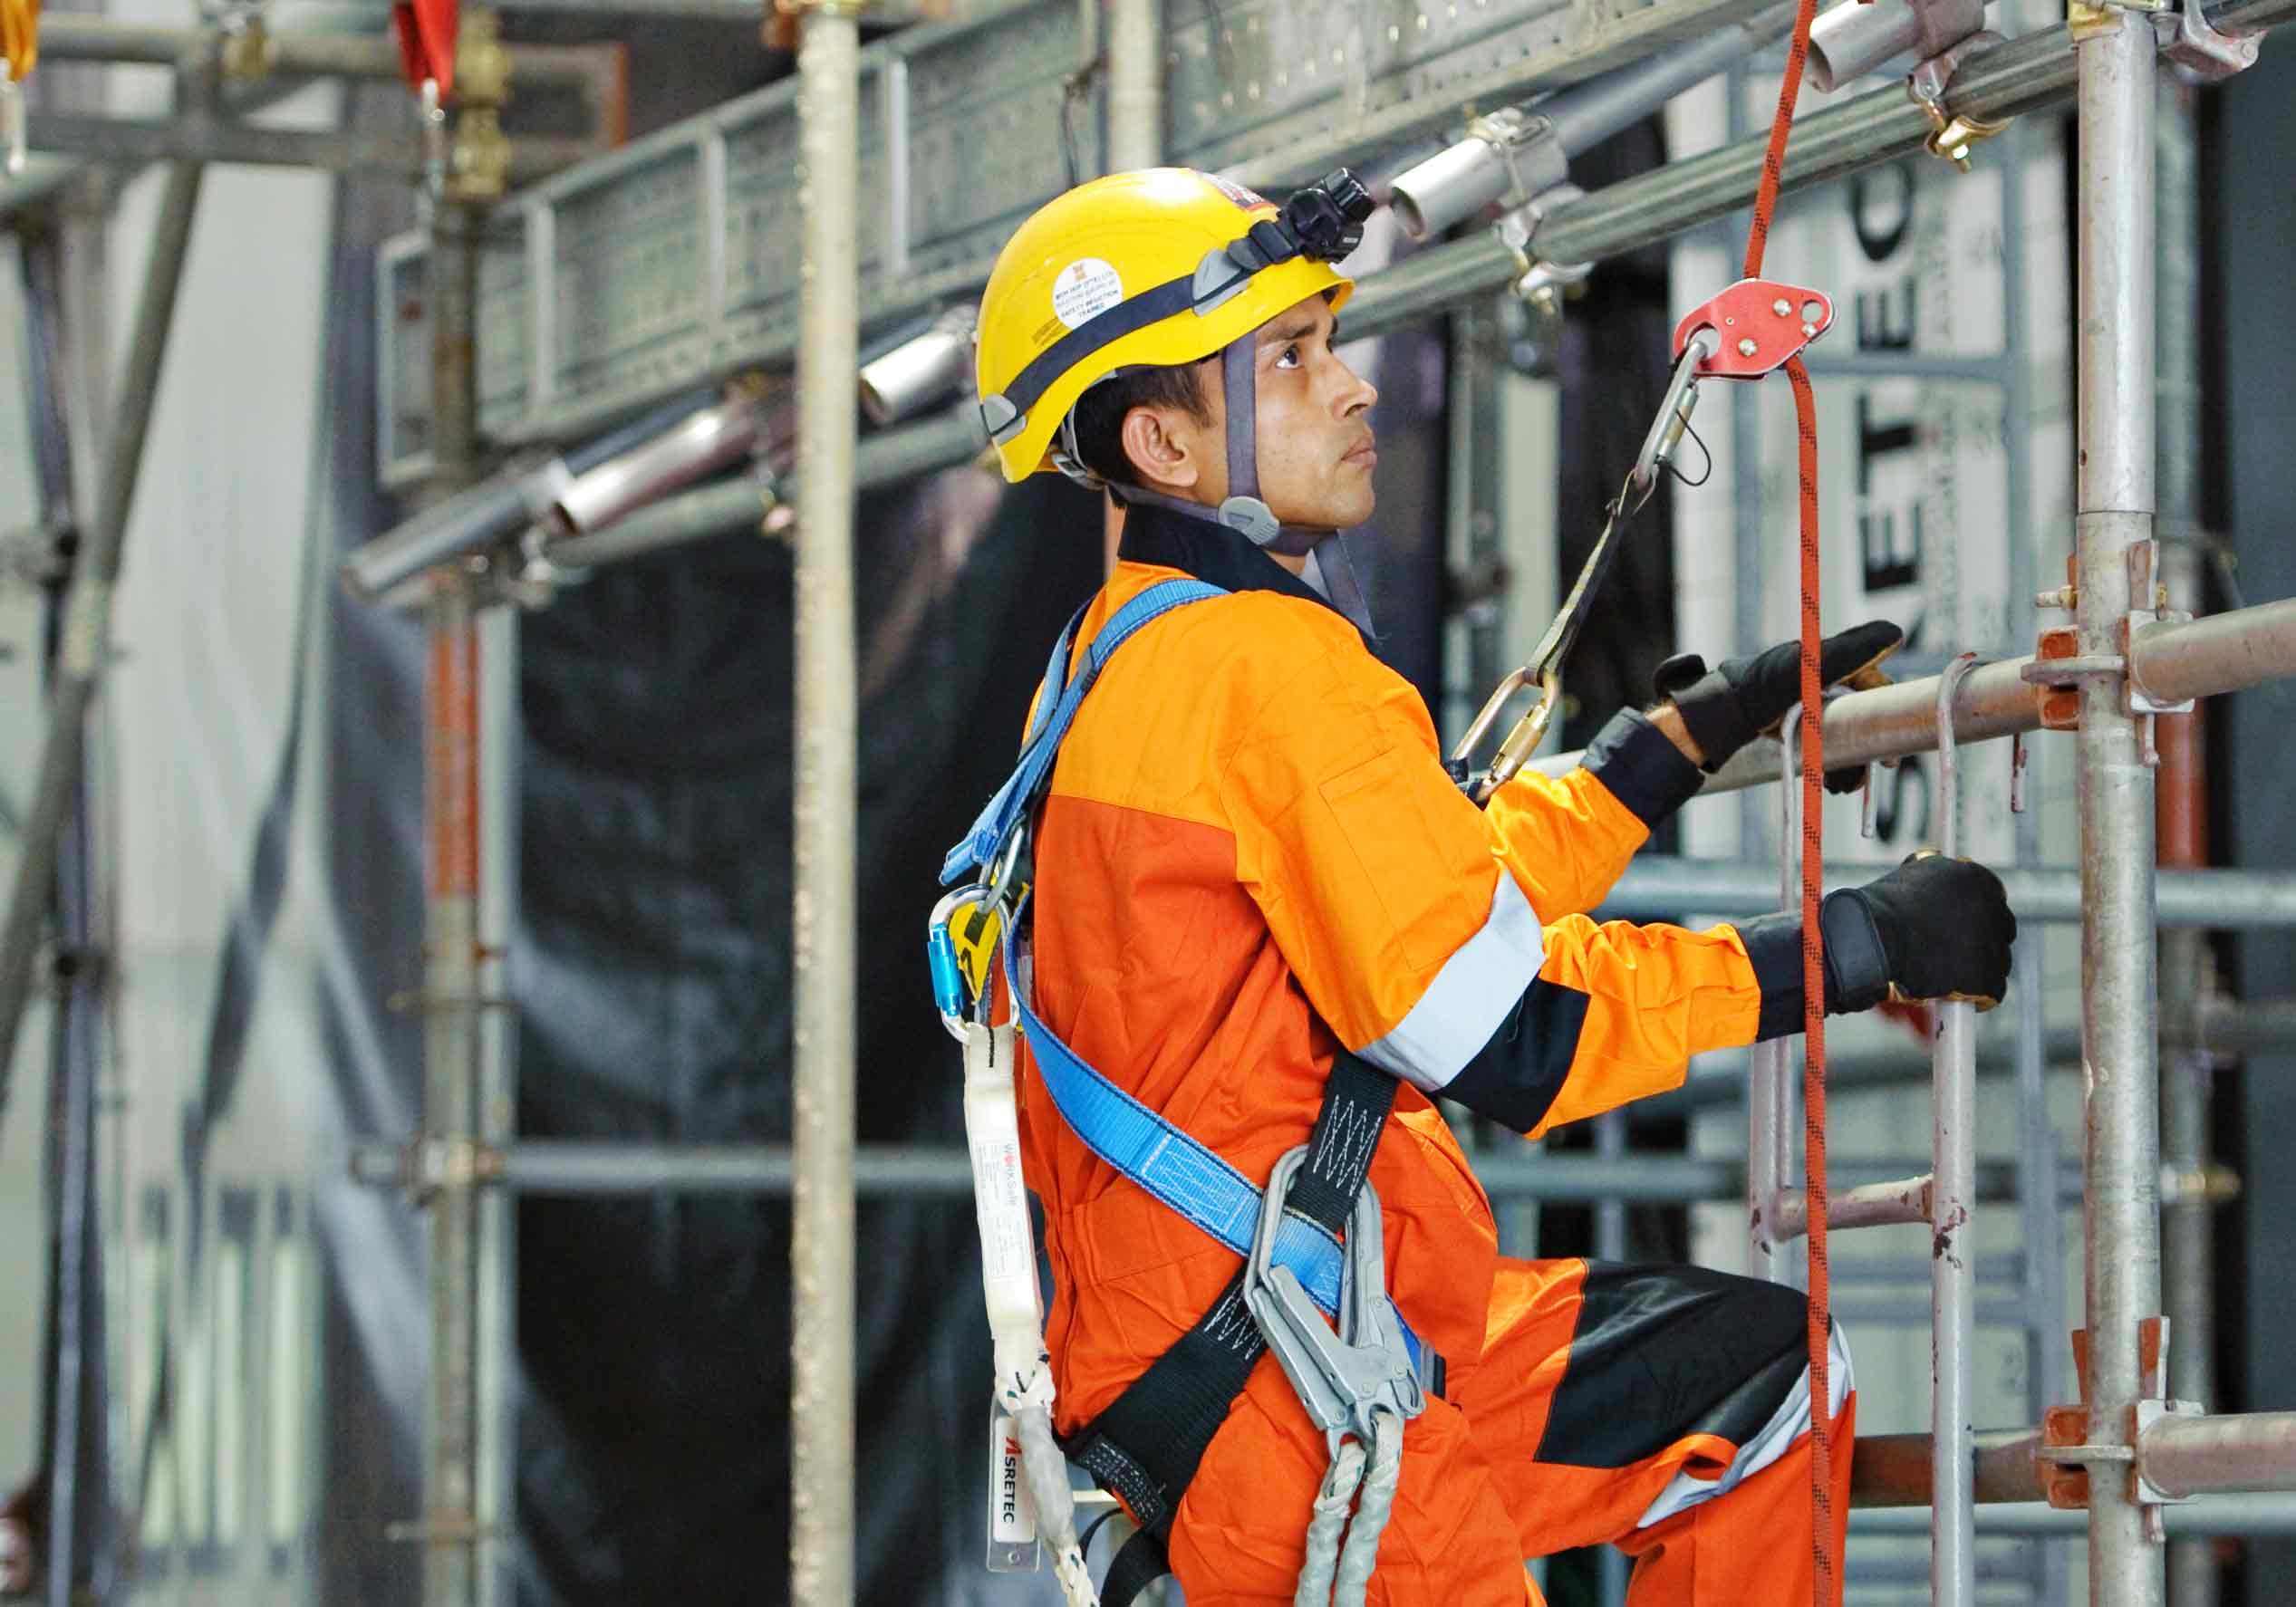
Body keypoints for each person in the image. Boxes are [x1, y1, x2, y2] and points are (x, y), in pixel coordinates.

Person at [962, 166, 2018, 1606]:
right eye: (1289, 358)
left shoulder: (1113, 663)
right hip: (1305, 1399)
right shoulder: (1264, 670)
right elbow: (1502, 1031)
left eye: (1330, 342)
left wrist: (1655, 759)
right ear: (1162, 438)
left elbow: (1404, 912)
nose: (1351, 387)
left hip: (1273, 1347)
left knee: (1757, 1385)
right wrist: (1842, 948)